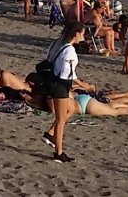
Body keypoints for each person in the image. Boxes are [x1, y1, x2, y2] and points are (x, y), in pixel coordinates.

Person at [43, 22, 85, 163]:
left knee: (72, 108)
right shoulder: (70, 50)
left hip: (53, 81)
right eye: (82, 33)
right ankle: (58, 153)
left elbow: (48, 57)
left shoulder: (58, 43)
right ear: (76, 34)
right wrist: (84, 85)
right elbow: (68, 73)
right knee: (61, 120)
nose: (83, 37)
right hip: (60, 85)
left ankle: (50, 133)